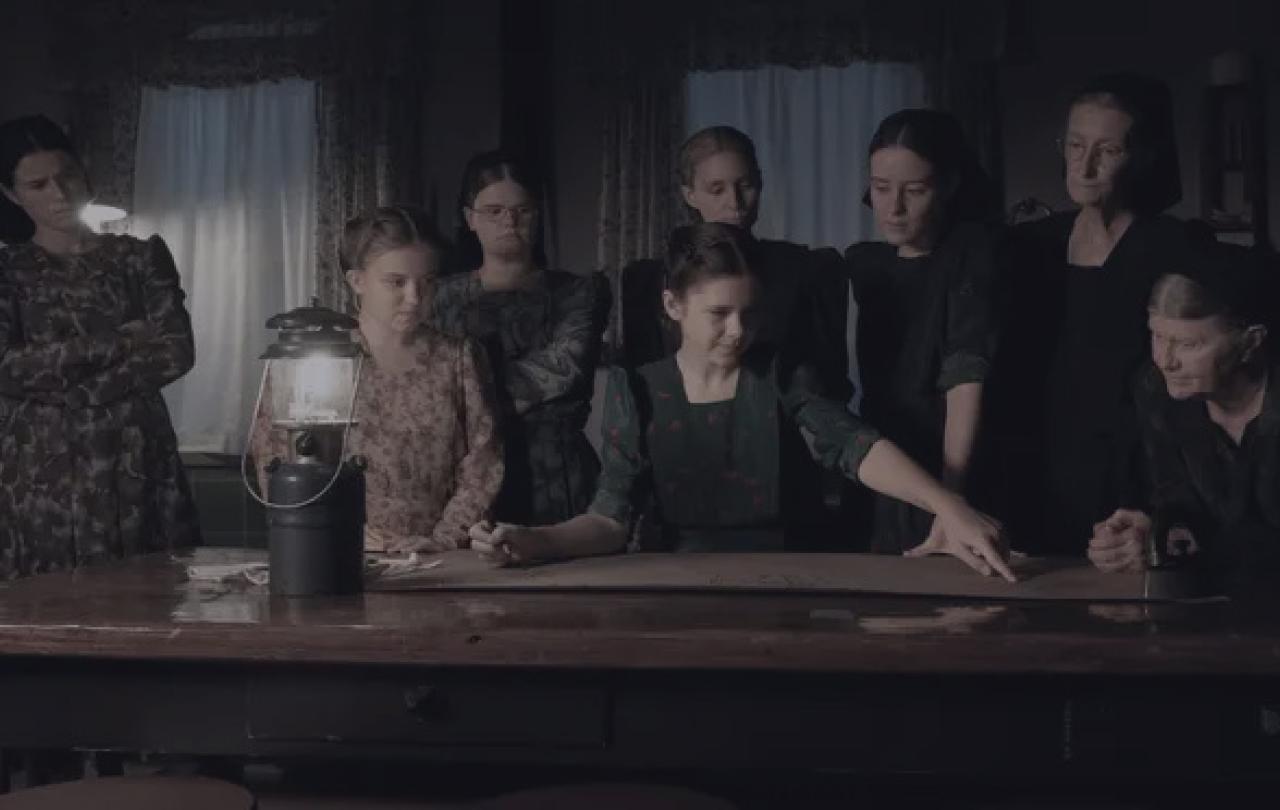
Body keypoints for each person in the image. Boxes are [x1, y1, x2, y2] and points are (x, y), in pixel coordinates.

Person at [471, 222, 1014, 582]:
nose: (739, 331)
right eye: (719, 314)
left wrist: (949, 505)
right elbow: (610, 521)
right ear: (672, 305)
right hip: (675, 584)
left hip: (787, 577)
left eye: (750, 313)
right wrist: (534, 541)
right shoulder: (638, 389)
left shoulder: (781, 372)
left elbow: (853, 445)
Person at [986, 73, 1190, 556]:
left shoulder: (1172, 246)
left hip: (1132, 473)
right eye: (1076, 146)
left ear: (1140, 157)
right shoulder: (1030, 245)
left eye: (1108, 150)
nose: (1086, 166)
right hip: (1039, 469)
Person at [0, 115, 199, 577]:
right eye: (38, 184)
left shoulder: (139, 257)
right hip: (39, 471)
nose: (59, 193)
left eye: (67, 175)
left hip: (135, 459)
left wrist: (76, 395)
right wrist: (123, 339)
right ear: (12, 195)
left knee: (148, 598)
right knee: (42, 612)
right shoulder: (8, 272)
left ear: (84, 171)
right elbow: (6, 367)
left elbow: (175, 350)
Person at [252, 206, 503, 553]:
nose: (414, 298)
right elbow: (275, 459)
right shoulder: (313, 360)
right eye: (396, 282)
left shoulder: (457, 359)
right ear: (357, 281)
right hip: (333, 549)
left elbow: (483, 464)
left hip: (437, 559)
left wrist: (442, 540)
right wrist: (337, 527)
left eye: (426, 282)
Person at [842, 109, 1000, 555]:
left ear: (948, 186)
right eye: (880, 188)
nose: (892, 208)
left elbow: (965, 377)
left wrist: (950, 501)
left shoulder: (972, 254)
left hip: (952, 463)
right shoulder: (865, 264)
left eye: (914, 190)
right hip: (880, 464)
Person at [1087, 243, 1279, 591]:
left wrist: (1189, 550)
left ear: (1251, 342)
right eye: (1157, 337)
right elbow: (1175, 499)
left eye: (1190, 345)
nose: (1166, 360)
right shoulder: (1155, 390)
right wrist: (1155, 533)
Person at [431, 152, 610, 526]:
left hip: (557, 473)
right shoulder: (439, 298)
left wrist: (467, 398)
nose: (509, 221)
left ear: (538, 214)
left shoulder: (579, 292)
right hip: (466, 476)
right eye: (493, 211)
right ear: (470, 219)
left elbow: (565, 368)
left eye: (522, 210)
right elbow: (427, 380)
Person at [620, 125, 845, 392]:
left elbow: (828, 383)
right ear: (689, 195)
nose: (735, 202)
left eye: (745, 185)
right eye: (717, 190)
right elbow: (641, 383)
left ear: (759, 183)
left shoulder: (802, 269)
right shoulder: (650, 281)